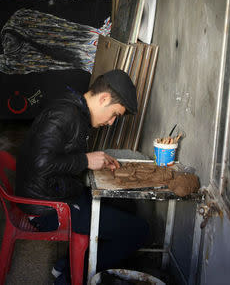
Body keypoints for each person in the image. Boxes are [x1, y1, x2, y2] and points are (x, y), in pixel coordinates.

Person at [16, 69, 150, 284]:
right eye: (115, 114)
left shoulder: (74, 109)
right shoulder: (66, 114)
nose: (111, 122)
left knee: (127, 207)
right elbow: (40, 163)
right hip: (48, 209)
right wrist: (86, 161)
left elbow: (58, 155)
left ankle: (65, 266)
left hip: (59, 191)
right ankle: (69, 277)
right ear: (104, 98)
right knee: (139, 231)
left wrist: (95, 160)